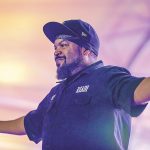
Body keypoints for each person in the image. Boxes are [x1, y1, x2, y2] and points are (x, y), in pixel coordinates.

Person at [0, 19, 150, 150]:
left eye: (64, 45)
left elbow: (140, 91)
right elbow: (28, 124)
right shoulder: (56, 92)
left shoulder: (107, 77)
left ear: (85, 51)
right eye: (55, 47)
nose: (56, 51)